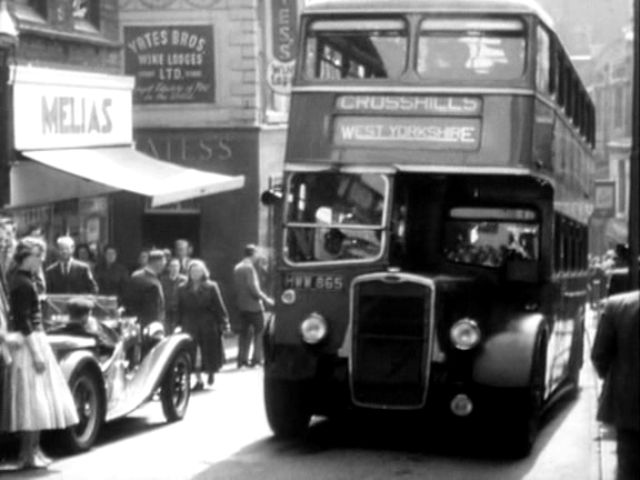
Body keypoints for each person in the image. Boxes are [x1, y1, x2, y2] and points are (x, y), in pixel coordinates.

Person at [0, 237, 78, 470]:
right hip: (29, 342)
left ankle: (32, 451)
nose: (42, 260)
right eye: (38, 255)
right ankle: (27, 453)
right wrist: (36, 353)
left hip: (33, 339)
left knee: (37, 400)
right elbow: (25, 321)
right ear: (27, 256)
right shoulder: (21, 282)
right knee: (32, 401)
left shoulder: (24, 279)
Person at [591, 290, 639, 480]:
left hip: (629, 410)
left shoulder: (617, 306)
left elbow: (599, 356)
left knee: (629, 470)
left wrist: (618, 379)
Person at [177, 259, 229, 389]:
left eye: (198, 271)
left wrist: (224, 322)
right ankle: (198, 379)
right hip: (189, 322)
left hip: (208, 321)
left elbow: (219, 305)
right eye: (193, 271)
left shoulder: (211, 286)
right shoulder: (182, 288)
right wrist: (177, 324)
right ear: (189, 273)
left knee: (209, 350)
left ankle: (211, 372)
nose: (195, 274)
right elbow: (178, 308)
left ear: (203, 272)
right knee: (192, 351)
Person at [233, 244, 274, 368]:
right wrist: (266, 299)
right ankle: (256, 360)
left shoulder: (238, 267)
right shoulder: (249, 268)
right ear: (254, 254)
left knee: (244, 334)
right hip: (254, 306)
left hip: (242, 306)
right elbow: (253, 287)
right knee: (259, 333)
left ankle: (242, 361)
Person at [122, 249, 166, 330]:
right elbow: (154, 312)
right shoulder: (153, 284)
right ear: (158, 263)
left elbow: (126, 301)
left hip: (133, 324)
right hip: (150, 328)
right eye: (163, 263)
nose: (164, 266)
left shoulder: (135, 275)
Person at [161, 258, 187, 333]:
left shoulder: (184, 280)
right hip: (167, 310)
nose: (174, 268)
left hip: (180, 310)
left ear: (179, 267)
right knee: (167, 330)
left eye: (176, 266)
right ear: (168, 267)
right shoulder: (163, 280)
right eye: (172, 266)